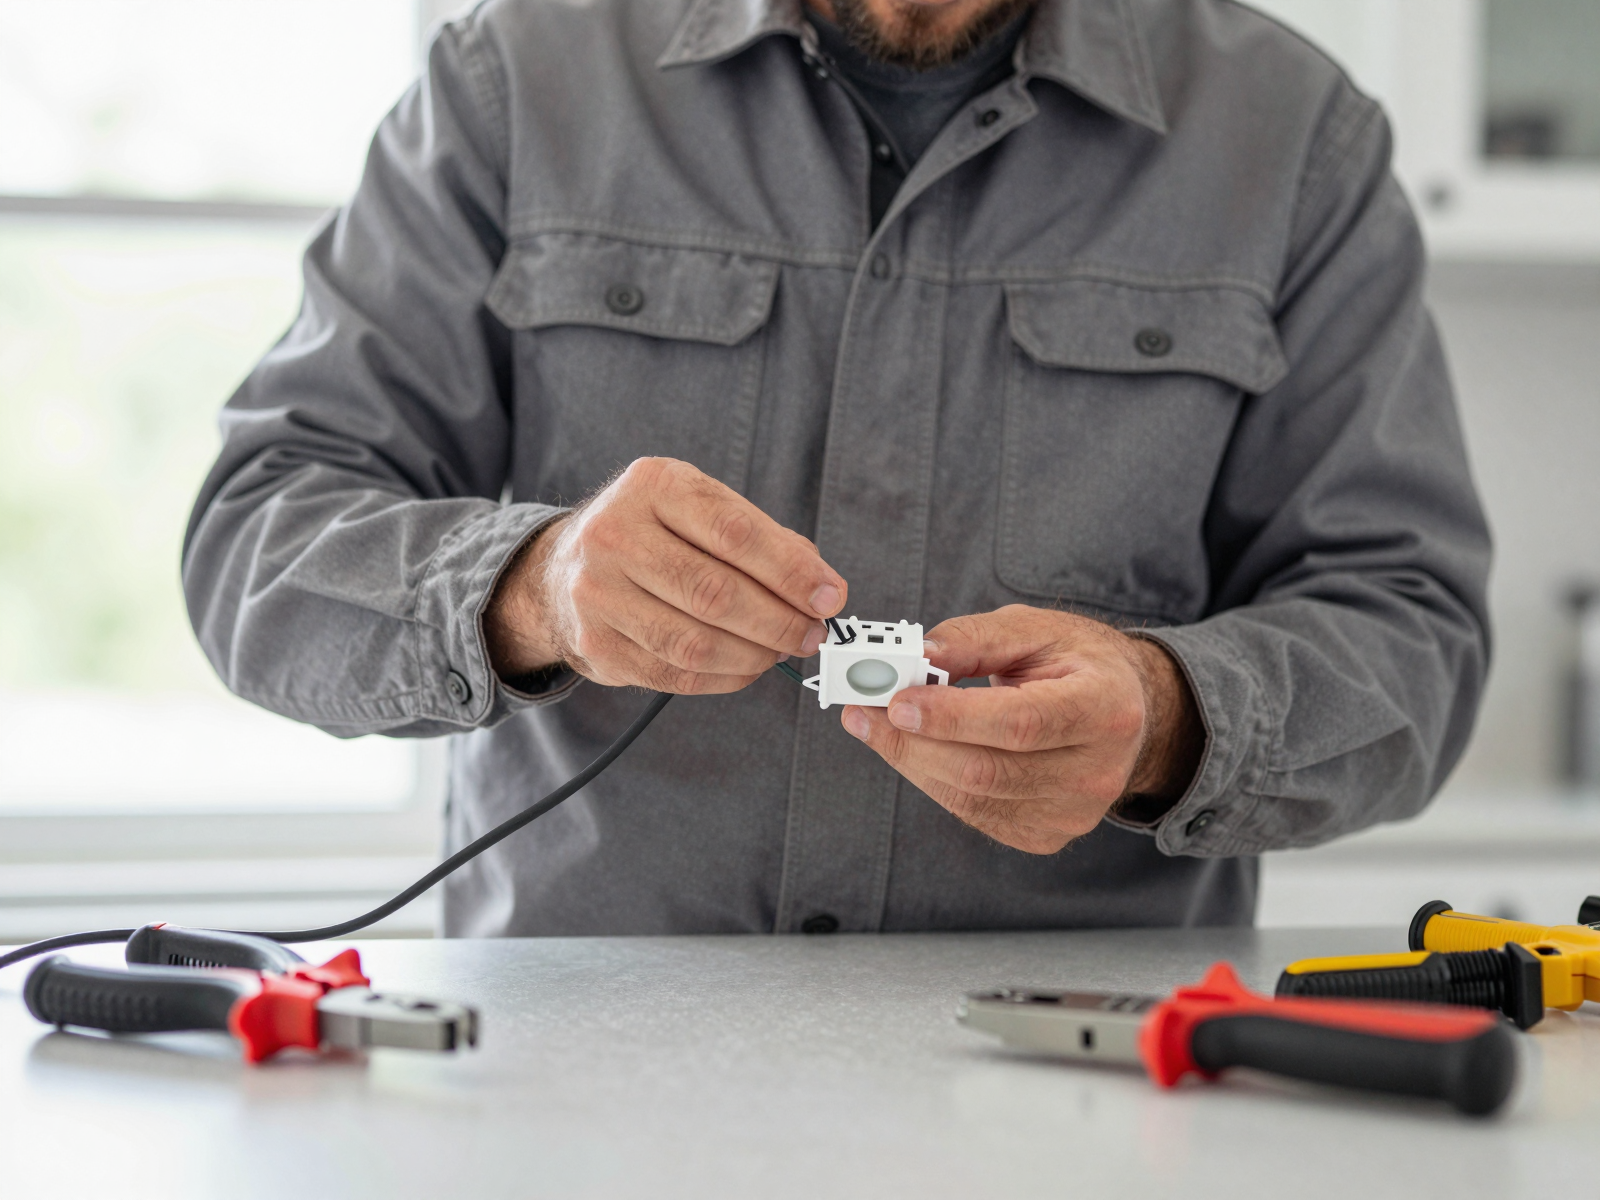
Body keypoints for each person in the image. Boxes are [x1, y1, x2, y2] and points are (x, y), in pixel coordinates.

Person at [183, 0, 1490, 935]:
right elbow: (259, 541)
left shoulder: (1294, 137)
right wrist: (536, 585)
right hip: (577, 1083)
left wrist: (1167, 716)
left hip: (1081, 1103)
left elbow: (1413, 637)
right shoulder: (513, 77)